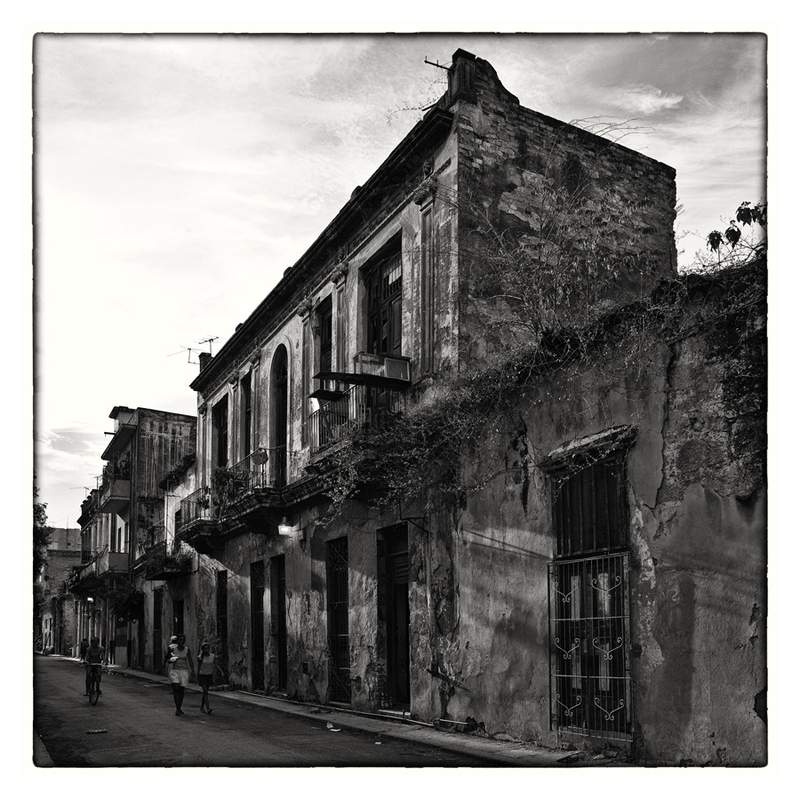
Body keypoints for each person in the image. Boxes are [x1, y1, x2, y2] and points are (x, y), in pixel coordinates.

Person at [167, 634, 195, 716]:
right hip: (175, 671)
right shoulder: (173, 649)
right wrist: (172, 660)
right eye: (180, 640)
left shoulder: (187, 650)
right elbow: (169, 660)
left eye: (183, 640)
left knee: (181, 690)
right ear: (177, 641)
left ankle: (179, 707)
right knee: (176, 688)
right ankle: (177, 708)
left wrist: (193, 670)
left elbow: (190, 660)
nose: (181, 641)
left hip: (184, 671)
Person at [197, 642, 220, 714]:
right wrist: (198, 676)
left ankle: (201, 707)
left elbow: (216, 665)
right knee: (205, 691)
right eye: (205, 648)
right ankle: (208, 708)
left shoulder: (212, 656)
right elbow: (198, 667)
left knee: (205, 692)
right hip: (202, 675)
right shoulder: (200, 657)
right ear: (203, 649)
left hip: (209, 675)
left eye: (207, 648)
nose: (206, 650)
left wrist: (221, 671)